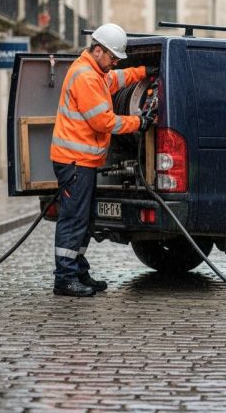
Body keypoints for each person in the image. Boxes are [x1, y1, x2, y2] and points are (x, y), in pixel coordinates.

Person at [49, 23, 158, 297]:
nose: (114, 63)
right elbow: (102, 122)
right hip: (74, 161)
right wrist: (139, 122)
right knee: (74, 219)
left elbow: (118, 79)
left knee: (83, 219)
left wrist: (145, 72)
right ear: (97, 50)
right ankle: (64, 278)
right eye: (112, 57)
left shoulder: (97, 71)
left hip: (82, 161)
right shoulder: (86, 76)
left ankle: (78, 271)